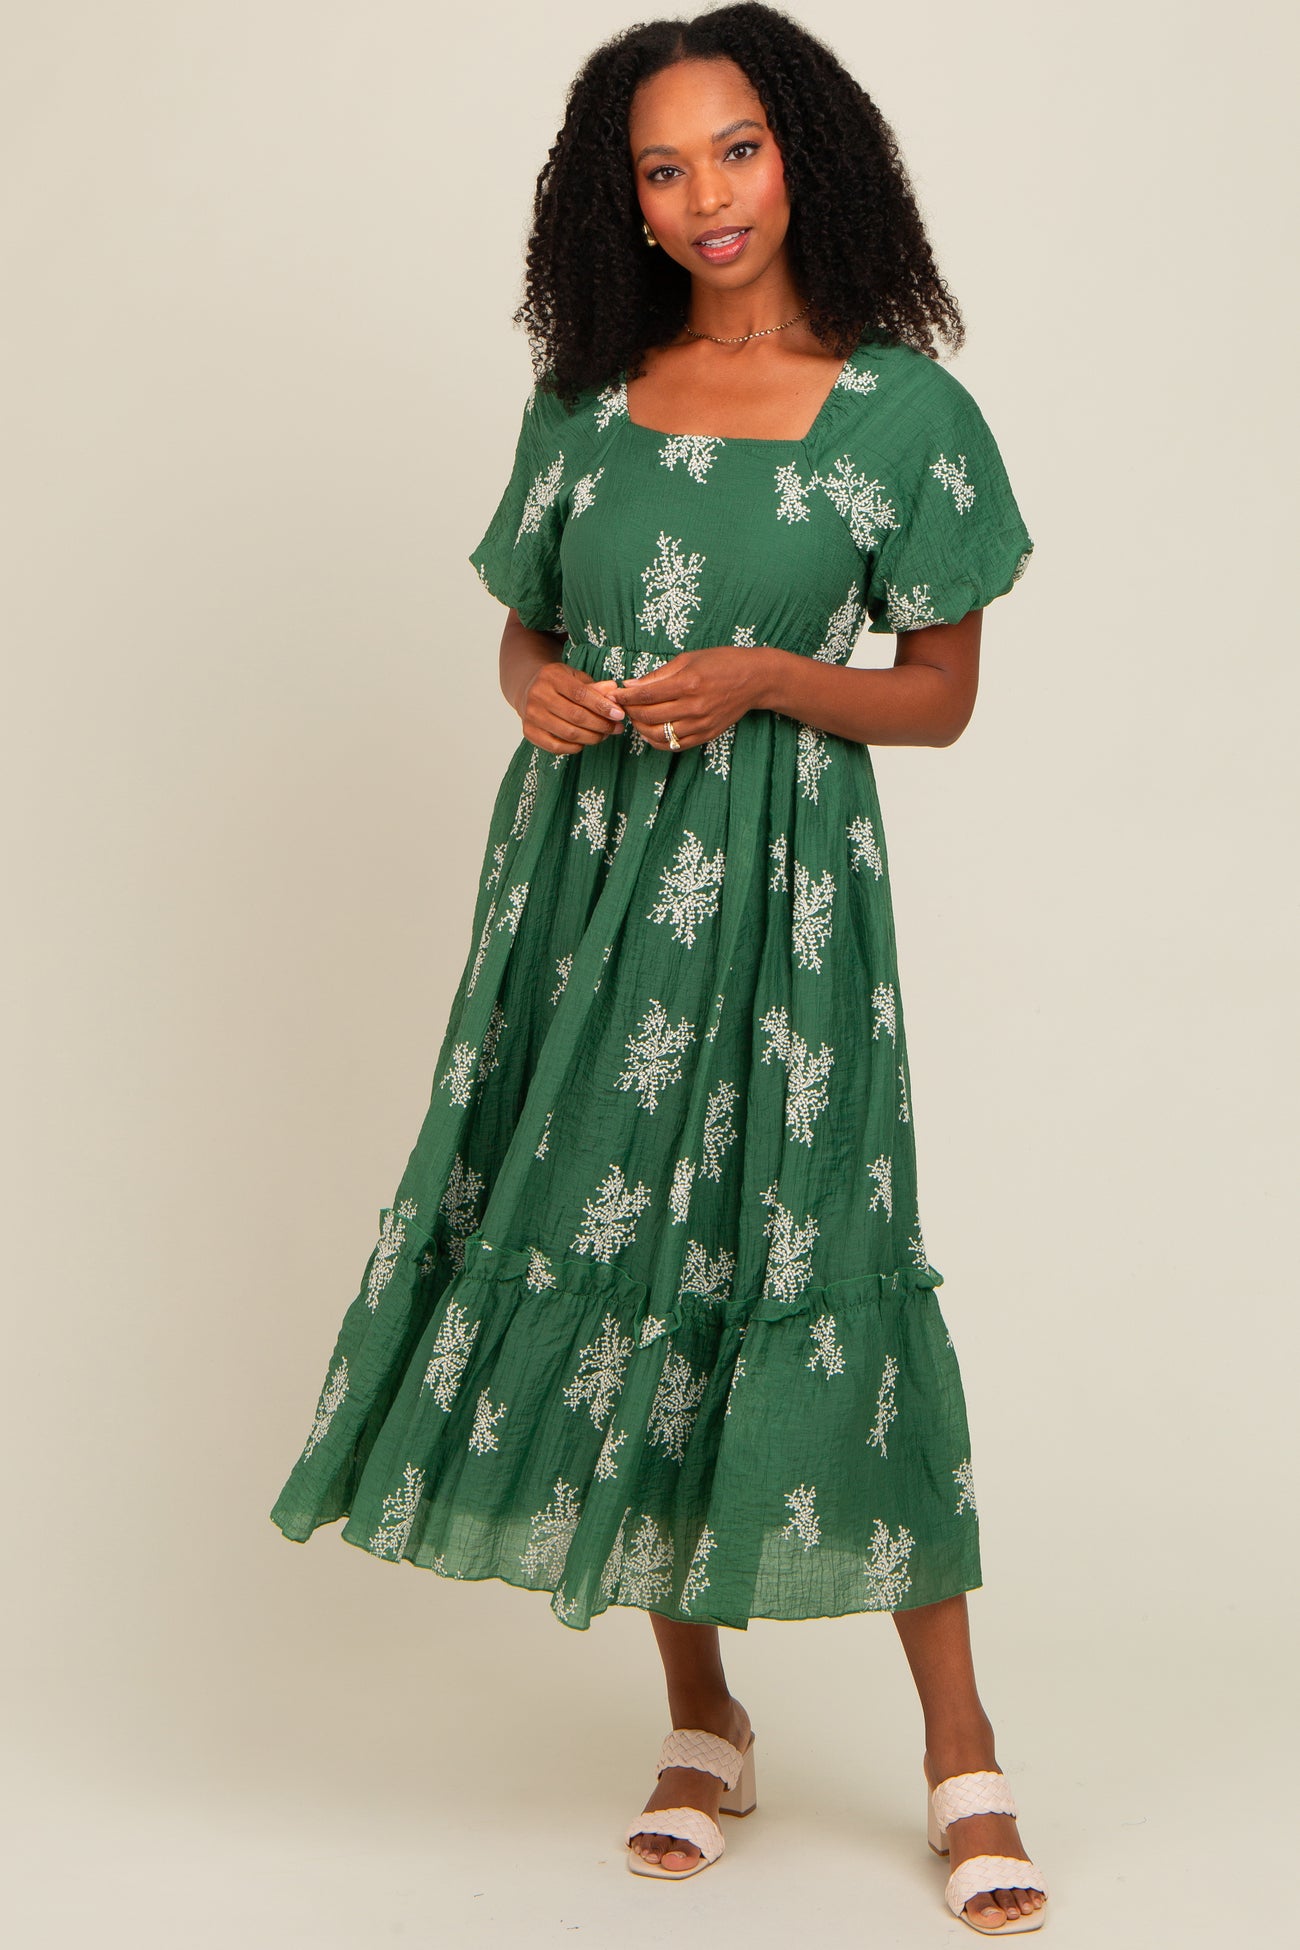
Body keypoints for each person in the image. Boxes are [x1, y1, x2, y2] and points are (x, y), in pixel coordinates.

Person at [269, 3, 1046, 1932]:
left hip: (790, 910)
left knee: (817, 1254)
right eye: (664, 166)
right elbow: (527, 631)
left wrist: (777, 678)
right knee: (628, 1253)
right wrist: (535, 689)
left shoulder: (906, 416)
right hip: (584, 886)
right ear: (619, 201)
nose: (708, 196)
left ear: (809, 159)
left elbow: (940, 697)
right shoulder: (589, 403)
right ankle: (705, 1716)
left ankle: (962, 1745)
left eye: (739, 150)